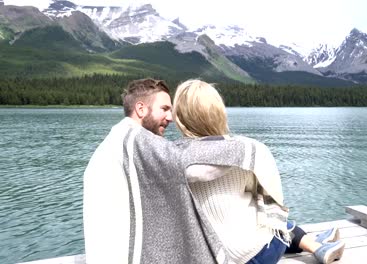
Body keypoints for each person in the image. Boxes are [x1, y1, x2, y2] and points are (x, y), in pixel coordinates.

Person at [172, 79, 346, 264]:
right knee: (275, 221)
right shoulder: (244, 151)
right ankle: (317, 246)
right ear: (218, 111)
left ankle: (315, 243)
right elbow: (271, 203)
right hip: (253, 258)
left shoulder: (168, 157)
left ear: (180, 117)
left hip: (207, 257)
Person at [82, 78, 229, 264]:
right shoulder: (135, 140)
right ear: (141, 109)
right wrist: (241, 148)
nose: (171, 118)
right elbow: (196, 169)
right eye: (165, 109)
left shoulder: (114, 141)